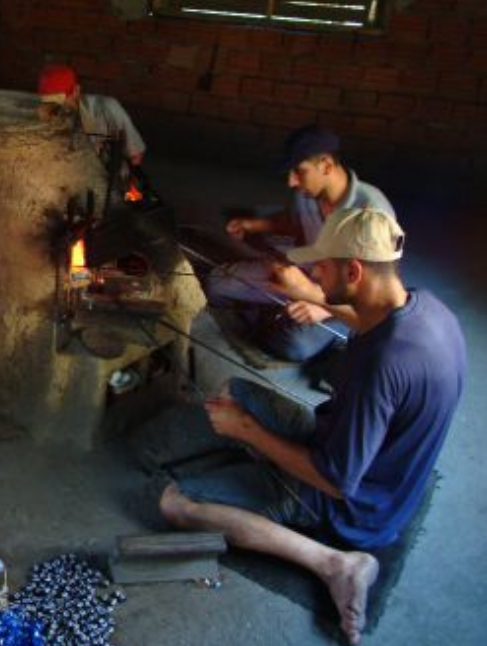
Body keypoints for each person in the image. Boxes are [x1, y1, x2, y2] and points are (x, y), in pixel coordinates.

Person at [158, 207, 466, 644]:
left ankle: (334, 564)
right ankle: (266, 464)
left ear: (355, 269)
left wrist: (248, 430)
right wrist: (316, 297)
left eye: (322, 266)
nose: (314, 272)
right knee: (234, 388)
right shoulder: (425, 308)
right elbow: (365, 323)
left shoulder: (382, 365)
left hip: (351, 505)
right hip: (384, 474)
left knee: (176, 503)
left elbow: (336, 480)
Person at [203, 124, 395, 362]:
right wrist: (255, 225)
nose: (292, 181)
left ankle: (324, 328)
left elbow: (379, 293)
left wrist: (323, 307)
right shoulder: (307, 193)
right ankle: (277, 311)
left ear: (326, 165)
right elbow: (295, 223)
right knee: (215, 284)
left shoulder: (374, 211)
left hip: (341, 298)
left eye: (299, 171)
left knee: (294, 345)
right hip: (302, 274)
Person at [36, 64, 155, 204]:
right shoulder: (44, 114)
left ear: (76, 91)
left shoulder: (108, 109)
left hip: (107, 182)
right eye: (48, 105)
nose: (55, 111)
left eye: (59, 103)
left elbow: (135, 155)